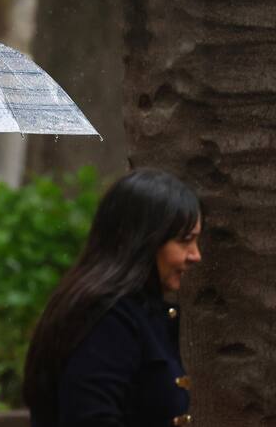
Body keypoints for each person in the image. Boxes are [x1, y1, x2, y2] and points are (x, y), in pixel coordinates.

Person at [23, 168, 202, 427]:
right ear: (145, 240)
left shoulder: (133, 311)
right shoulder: (107, 318)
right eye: (185, 241)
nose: (196, 255)